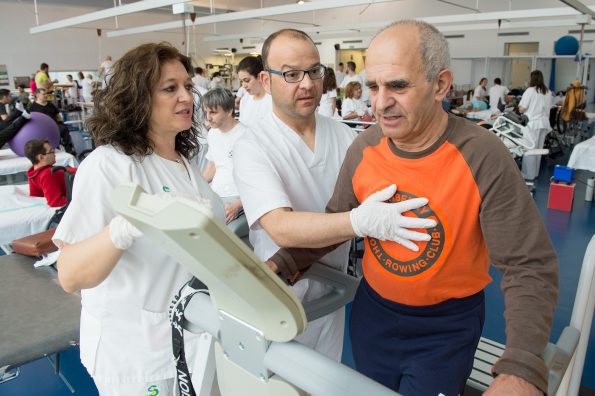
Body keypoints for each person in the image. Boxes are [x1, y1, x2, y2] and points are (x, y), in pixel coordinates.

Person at [267, 20, 558, 396]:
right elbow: (335, 222)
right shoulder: (364, 149)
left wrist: (521, 367)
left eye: (398, 86)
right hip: (374, 319)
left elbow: (528, 264)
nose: (380, 102)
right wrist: (281, 265)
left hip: (445, 330)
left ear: (440, 84)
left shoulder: (481, 155)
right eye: (374, 86)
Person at [233, 28, 434, 362]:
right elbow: (281, 227)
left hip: (334, 296)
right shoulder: (253, 146)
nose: (308, 84)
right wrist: (358, 221)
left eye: (314, 71)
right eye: (292, 74)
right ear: (266, 82)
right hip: (281, 294)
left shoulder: (344, 137)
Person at [52, 42, 224, 396]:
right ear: (138, 98)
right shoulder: (109, 165)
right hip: (138, 352)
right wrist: (125, 227)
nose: (187, 98)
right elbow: (70, 274)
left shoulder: (186, 165)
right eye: (170, 88)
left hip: (195, 343)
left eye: (189, 87)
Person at [202, 88, 249, 235]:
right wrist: (195, 187)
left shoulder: (246, 136)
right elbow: (213, 166)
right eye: (206, 112)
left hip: (238, 199)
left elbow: (258, 180)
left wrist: (237, 205)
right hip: (216, 195)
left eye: (213, 112)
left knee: (222, 236)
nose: (208, 118)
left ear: (229, 111)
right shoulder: (213, 133)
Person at [518, 70, 552, 181]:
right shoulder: (547, 91)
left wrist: (518, 109)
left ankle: (528, 175)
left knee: (530, 149)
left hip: (532, 124)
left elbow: (522, 108)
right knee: (538, 149)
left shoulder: (530, 90)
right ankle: (535, 173)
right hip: (543, 124)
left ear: (532, 78)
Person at [24, 139, 77, 207]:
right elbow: (55, 202)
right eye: (51, 151)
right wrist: (80, 198)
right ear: (41, 157)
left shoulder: (33, 173)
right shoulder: (48, 174)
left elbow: (37, 196)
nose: (54, 154)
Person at [29, 88, 76, 155]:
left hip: (54, 126)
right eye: (44, 94)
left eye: (46, 94)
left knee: (64, 129)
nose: (46, 95)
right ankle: (54, 150)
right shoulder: (33, 107)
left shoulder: (50, 105)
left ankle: (69, 151)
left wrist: (61, 123)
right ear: (37, 95)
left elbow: (58, 116)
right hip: (42, 129)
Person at [237, 55, 272, 127]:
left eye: (247, 80)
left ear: (260, 77)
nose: (244, 85)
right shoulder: (245, 100)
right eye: (241, 81)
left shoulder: (272, 101)